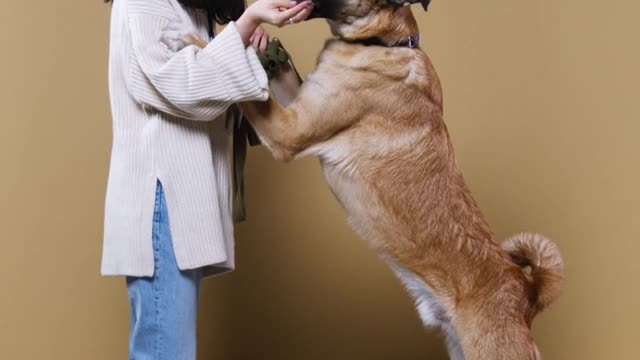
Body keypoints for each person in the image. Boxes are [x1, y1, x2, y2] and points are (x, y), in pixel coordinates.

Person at [100, 0, 314, 359]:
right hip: (162, 201)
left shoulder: (190, 8)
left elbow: (208, 80)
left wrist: (245, 39)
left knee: (166, 349)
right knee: (164, 352)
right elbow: (177, 85)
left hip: (176, 204)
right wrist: (245, 24)